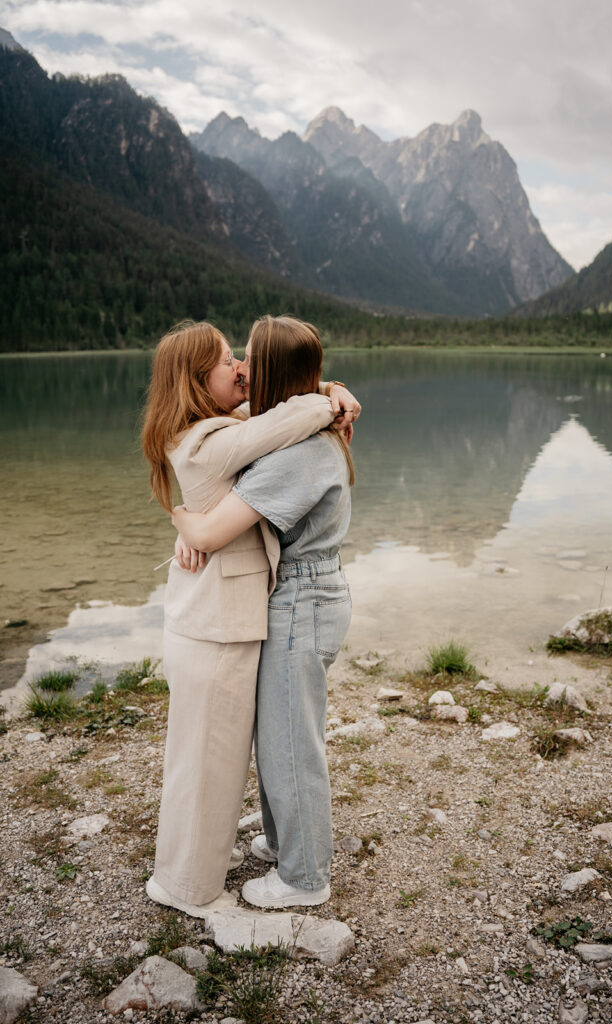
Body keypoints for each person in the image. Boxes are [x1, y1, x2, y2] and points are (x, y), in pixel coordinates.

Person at [140, 319, 360, 917]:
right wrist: (331, 393)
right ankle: (285, 842)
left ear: (267, 373)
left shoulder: (297, 450)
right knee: (279, 733)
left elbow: (214, 521)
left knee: (292, 741)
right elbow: (224, 468)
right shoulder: (265, 434)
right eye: (229, 359)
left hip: (302, 600)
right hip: (290, 598)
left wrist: (188, 523)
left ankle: (305, 875)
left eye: (246, 357)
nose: (240, 367)